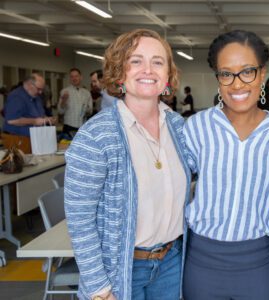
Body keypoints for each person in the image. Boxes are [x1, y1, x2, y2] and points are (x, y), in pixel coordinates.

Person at [64, 28, 190, 300]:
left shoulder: (180, 129)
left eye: (158, 61)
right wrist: (99, 287)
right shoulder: (95, 136)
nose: (148, 69)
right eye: (136, 61)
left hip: (171, 262)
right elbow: (80, 220)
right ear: (119, 72)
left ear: (168, 74)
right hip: (119, 268)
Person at [183, 30, 269, 300]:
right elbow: (172, 184)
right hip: (202, 263)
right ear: (218, 78)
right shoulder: (197, 127)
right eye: (226, 74)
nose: (237, 84)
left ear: (262, 73)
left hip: (259, 263)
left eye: (247, 71)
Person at [2, 73, 56, 153]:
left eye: (42, 89)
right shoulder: (16, 97)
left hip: (34, 139)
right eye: (39, 89)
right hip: (18, 140)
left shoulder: (36, 96)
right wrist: (34, 121)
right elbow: (11, 120)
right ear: (30, 85)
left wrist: (47, 119)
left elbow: (39, 115)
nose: (40, 92)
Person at [58, 68, 93, 137]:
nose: (74, 78)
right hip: (69, 126)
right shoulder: (64, 92)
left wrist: (85, 109)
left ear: (81, 77)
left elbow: (90, 111)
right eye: (72, 76)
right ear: (70, 79)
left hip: (82, 127)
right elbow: (60, 111)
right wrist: (63, 101)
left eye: (76, 76)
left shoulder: (87, 93)